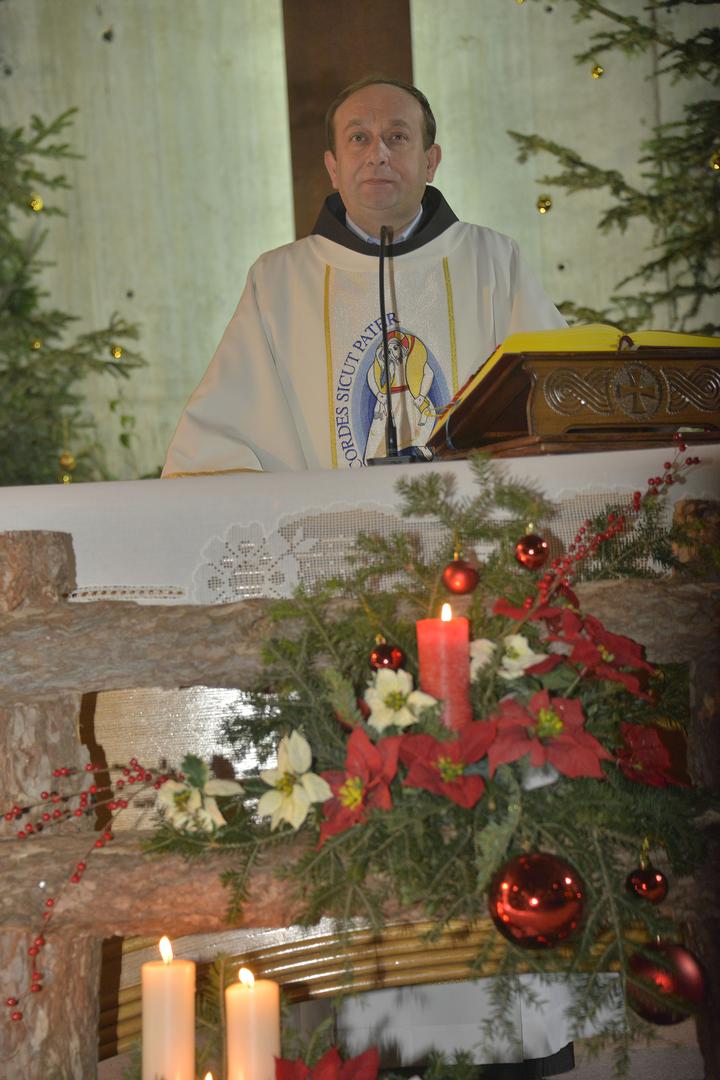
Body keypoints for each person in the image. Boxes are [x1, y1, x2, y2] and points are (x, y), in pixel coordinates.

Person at [162, 76, 565, 476]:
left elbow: (556, 400)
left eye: (397, 137)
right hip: (330, 518)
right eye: (359, 138)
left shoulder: (495, 261)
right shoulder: (276, 282)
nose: (378, 154)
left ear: (430, 161)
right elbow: (217, 441)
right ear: (333, 168)